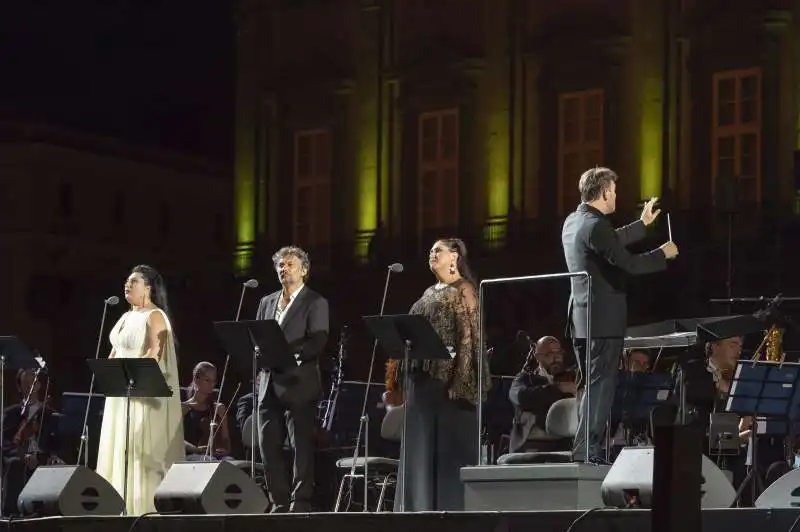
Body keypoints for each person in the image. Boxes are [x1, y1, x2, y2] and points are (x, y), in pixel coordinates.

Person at [561, 167, 678, 464]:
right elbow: (628, 264)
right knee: (601, 388)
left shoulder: (574, 221)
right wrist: (662, 254)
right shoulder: (595, 226)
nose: (616, 196)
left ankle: (586, 448)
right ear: (603, 192)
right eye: (613, 191)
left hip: (582, 318)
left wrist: (641, 225)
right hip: (602, 320)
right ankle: (587, 451)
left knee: (592, 386)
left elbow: (608, 241)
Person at [384, 238, 491, 511]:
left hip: (447, 387)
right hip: (420, 384)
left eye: (438, 251)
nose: (432, 254)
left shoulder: (465, 289)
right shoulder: (428, 292)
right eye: (430, 251)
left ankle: (444, 512)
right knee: (419, 453)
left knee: (445, 455)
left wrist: (462, 380)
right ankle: (416, 509)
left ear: (454, 256)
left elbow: (471, 338)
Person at [95, 265, 184, 515]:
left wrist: (129, 376)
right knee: (119, 448)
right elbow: (114, 352)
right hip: (120, 394)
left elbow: (154, 354)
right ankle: (116, 504)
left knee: (138, 449)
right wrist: (108, 375)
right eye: (126, 281)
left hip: (142, 394)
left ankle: (141, 507)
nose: (127, 285)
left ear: (149, 287)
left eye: (133, 281)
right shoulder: (124, 317)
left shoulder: (155, 316)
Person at [255, 246, 329, 513]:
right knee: (267, 444)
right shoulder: (267, 301)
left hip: (299, 382)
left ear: (304, 270)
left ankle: (301, 500)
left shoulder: (315, 301)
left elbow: (319, 338)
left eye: (289, 265)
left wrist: (293, 357)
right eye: (280, 266)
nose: (283, 269)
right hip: (269, 382)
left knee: (301, 445)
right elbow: (259, 336)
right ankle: (279, 499)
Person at [1, 369, 63, 516]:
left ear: (39, 385)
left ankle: (48, 513)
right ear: (19, 387)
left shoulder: (49, 413)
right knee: (15, 463)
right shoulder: (11, 412)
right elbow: (4, 442)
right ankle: (11, 515)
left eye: (33, 382)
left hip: (42, 456)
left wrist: (48, 455)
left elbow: (57, 442)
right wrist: (23, 455)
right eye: (26, 383)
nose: (30, 385)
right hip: (20, 457)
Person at [508, 336, 576, 453]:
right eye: (549, 354)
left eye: (559, 354)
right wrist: (558, 388)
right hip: (532, 446)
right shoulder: (525, 378)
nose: (556, 359)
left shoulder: (571, 377)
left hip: (564, 444)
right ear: (538, 357)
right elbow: (521, 397)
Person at [182, 362, 232, 461]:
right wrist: (195, 449)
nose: (211, 385)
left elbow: (226, 438)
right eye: (207, 380)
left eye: (213, 381)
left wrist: (225, 449)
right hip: (191, 456)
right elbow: (177, 440)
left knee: (231, 463)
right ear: (196, 379)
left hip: (215, 456)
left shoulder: (219, 408)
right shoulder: (183, 408)